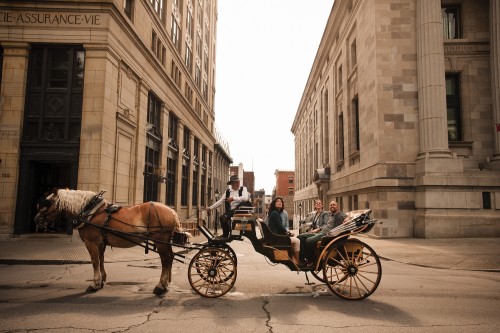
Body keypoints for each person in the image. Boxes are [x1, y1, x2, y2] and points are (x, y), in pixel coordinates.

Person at [297, 200, 347, 265]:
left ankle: (310, 260)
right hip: (321, 233)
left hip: (327, 235)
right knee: (300, 237)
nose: (332, 206)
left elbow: (348, 217)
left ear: (337, 207)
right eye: (331, 205)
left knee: (309, 241)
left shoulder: (339, 214)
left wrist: (346, 219)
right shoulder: (331, 214)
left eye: (334, 205)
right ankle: (302, 259)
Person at [267, 197, 301, 265]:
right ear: (274, 204)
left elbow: (280, 227)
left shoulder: (274, 213)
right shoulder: (275, 213)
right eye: (277, 201)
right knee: (297, 241)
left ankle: (293, 258)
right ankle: (297, 261)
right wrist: (288, 233)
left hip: (276, 236)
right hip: (277, 238)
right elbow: (280, 227)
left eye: (281, 202)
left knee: (294, 239)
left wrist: (287, 233)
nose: (280, 202)